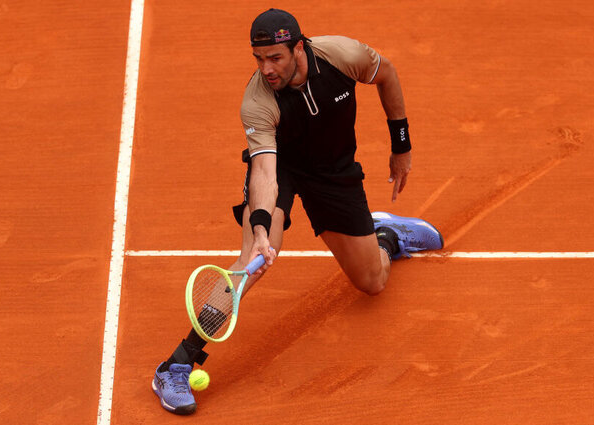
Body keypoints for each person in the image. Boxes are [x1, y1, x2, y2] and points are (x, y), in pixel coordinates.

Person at [152, 8, 444, 415]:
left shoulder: (342, 55)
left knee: (372, 283)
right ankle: (177, 364)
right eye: (259, 59)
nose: (266, 69)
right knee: (252, 260)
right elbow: (266, 174)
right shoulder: (258, 101)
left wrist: (402, 145)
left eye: (275, 57)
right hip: (283, 169)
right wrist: (259, 229)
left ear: (299, 48)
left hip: (334, 170)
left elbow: (388, 74)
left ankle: (386, 236)